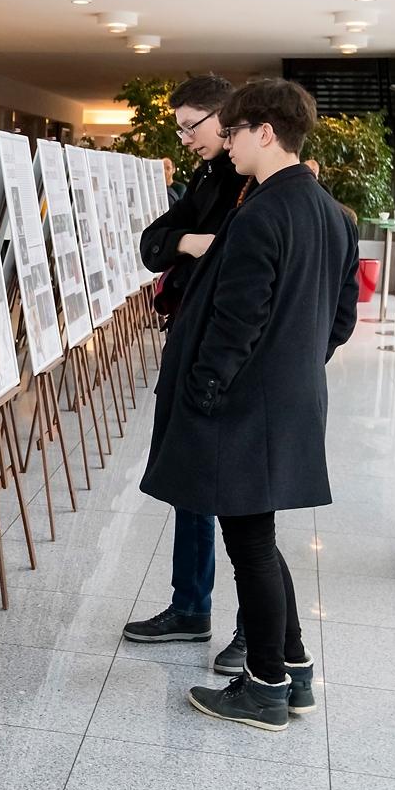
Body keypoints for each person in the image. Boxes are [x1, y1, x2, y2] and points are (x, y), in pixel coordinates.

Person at [140, 80, 359, 731]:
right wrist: (292, 364)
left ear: (266, 132)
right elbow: (340, 320)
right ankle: (291, 668)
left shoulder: (264, 213)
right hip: (284, 400)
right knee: (258, 540)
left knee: (251, 545)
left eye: (233, 132)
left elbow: (236, 320)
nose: (225, 144)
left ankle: (264, 684)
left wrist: (206, 388)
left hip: (242, 407)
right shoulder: (328, 212)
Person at [123, 75, 253, 676]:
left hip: (228, 364)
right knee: (190, 484)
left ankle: (254, 629)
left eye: (190, 126)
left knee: (244, 507)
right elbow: (153, 243)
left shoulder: (259, 189)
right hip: (194, 353)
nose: (185, 139)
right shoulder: (209, 180)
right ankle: (191, 605)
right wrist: (193, 241)